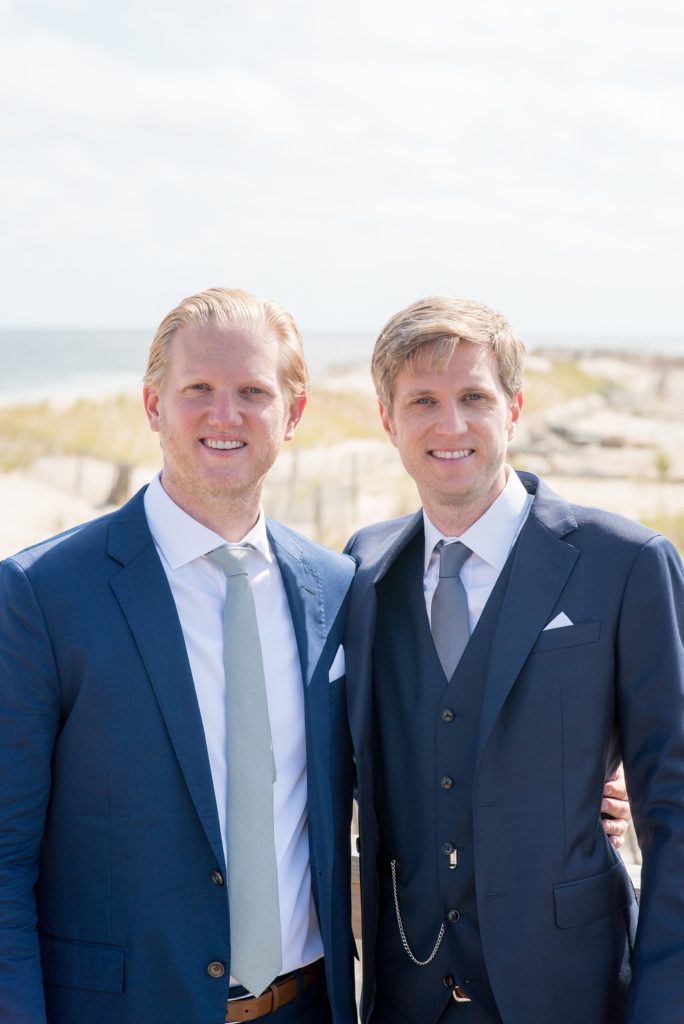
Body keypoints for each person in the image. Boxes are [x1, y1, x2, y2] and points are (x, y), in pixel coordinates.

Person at [0, 288, 357, 1024]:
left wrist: (575, 787)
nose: (224, 415)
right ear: (152, 405)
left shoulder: (338, 587)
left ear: (293, 415)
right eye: (197, 389)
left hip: (309, 1008)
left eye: (253, 392)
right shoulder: (41, 595)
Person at [344, 297, 684, 1024]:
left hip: (573, 991)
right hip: (406, 995)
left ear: (516, 408)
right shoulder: (363, 570)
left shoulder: (625, 564)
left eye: (474, 397)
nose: (451, 425)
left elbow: (674, 807)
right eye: (423, 402)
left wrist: (665, 1002)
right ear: (387, 420)